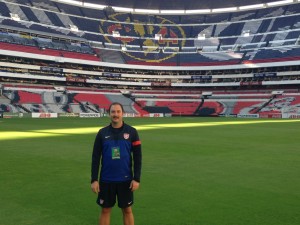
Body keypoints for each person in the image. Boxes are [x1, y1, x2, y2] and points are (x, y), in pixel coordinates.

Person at [91, 102, 142, 225]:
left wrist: (136, 179)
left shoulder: (132, 132)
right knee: (105, 210)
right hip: (106, 179)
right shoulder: (102, 133)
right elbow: (96, 157)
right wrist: (94, 179)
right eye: (113, 112)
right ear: (109, 114)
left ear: (122, 113)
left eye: (118, 112)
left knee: (127, 210)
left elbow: (138, 156)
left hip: (126, 180)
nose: (116, 114)